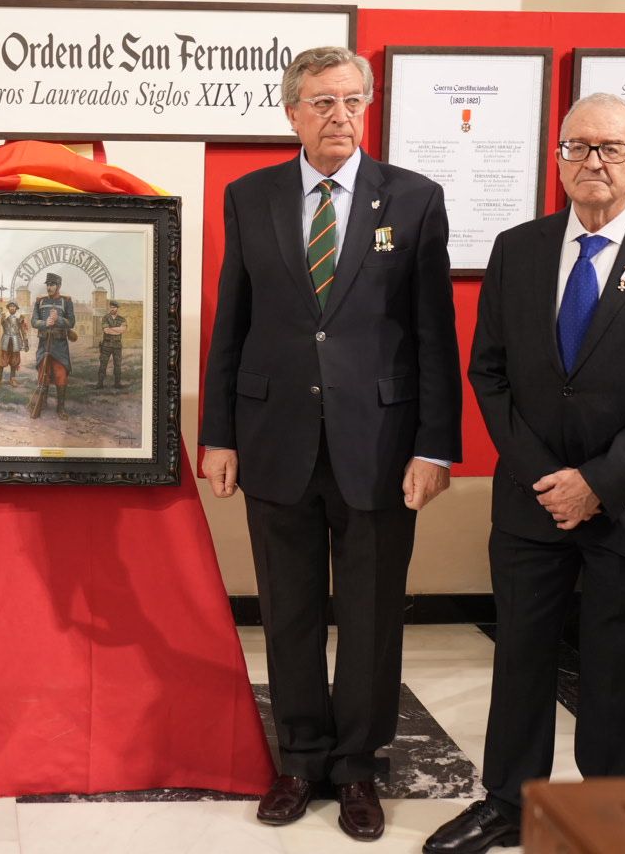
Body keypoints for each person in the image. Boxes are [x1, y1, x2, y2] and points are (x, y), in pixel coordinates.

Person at [424, 93, 625, 854]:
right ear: (556, 161)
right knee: (519, 653)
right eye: (578, 147)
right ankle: (507, 804)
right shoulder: (517, 249)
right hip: (532, 503)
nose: (594, 161)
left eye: (611, 149)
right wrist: (544, 476)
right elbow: (487, 373)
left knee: (621, 669)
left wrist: (598, 482)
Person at [201, 45, 461, 842]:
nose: (339, 114)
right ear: (292, 112)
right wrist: (217, 433)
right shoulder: (252, 197)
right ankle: (301, 759)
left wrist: (436, 446)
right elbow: (232, 323)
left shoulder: (413, 200)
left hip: (379, 444)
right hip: (275, 436)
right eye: (322, 102)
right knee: (288, 612)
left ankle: (357, 768)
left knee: (373, 615)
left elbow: (433, 336)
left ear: (367, 107)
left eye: (352, 100)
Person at [30, 272, 78, 418]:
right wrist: (45, 323)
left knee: (60, 374)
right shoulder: (40, 301)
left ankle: (60, 408)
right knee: (42, 372)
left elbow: (71, 322)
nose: (49, 287)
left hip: (59, 344)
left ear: (59, 286)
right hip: (44, 343)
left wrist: (58, 320)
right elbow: (33, 321)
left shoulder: (66, 301)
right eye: (48, 285)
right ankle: (42, 402)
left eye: (52, 285)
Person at [0, 300, 28, 386]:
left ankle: (12, 379)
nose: (12, 308)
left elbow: (23, 331)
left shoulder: (20, 318)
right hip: (5, 341)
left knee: (14, 361)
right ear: (8, 308)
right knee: (1, 360)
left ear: (16, 308)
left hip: (15, 341)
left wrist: (26, 343)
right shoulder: (4, 317)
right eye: (10, 306)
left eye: (14, 306)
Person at [95, 302, 127, 388]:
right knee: (103, 364)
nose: (112, 309)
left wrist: (111, 329)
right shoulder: (105, 318)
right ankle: (100, 383)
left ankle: (117, 384)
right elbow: (106, 330)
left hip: (117, 345)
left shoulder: (122, 319)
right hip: (106, 345)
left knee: (118, 364)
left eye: (114, 307)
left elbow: (123, 330)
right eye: (111, 307)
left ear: (117, 308)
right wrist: (117, 330)